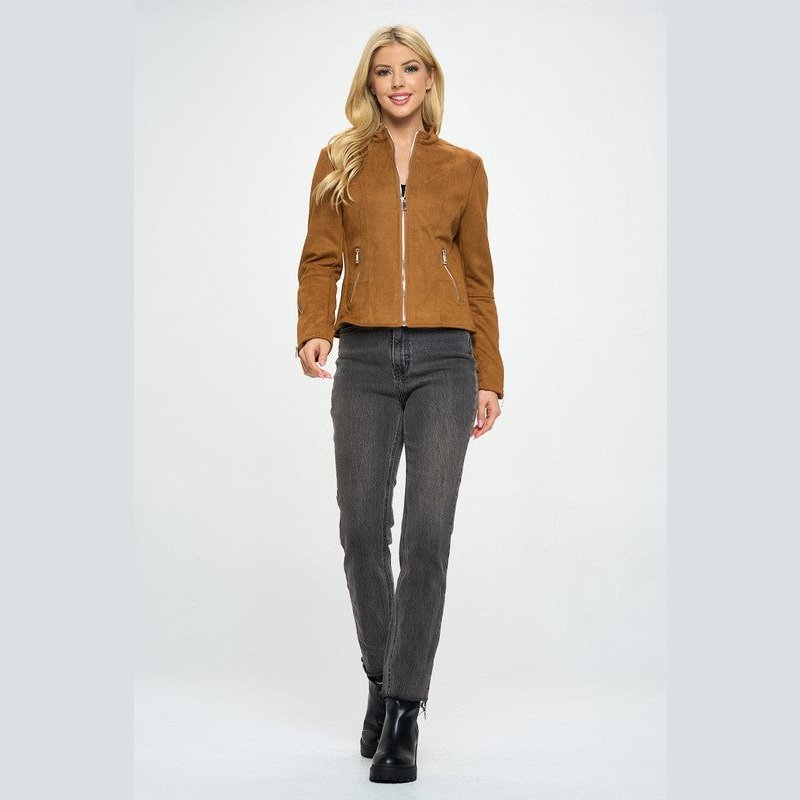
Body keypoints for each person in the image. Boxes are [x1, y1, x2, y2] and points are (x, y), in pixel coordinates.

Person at [294, 24, 505, 783]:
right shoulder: (340, 160)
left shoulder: (464, 168)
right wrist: (315, 328)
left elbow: (478, 278)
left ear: (429, 78)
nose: (398, 82)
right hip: (365, 357)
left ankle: (405, 711)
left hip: (447, 361)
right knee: (360, 528)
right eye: (384, 71)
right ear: (370, 83)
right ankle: (383, 680)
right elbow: (319, 259)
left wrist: (490, 373)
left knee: (426, 535)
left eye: (410, 68)